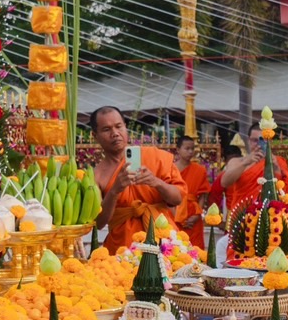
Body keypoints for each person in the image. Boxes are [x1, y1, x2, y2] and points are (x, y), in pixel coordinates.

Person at [88, 106, 185, 254]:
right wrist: (115, 190)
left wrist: (156, 182)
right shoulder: (97, 176)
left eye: (118, 126)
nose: (115, 133)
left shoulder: (155, 157)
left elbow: (177, 198)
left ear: (125, 127)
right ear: (95, 135)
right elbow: (99, 223)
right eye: (106, 129)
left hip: (163, 241)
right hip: (123, 249)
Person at [220, 126, 288, 211]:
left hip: (269, 215)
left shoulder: (278, 162)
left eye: (263, 140)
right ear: (248, 140)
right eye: (255, 140)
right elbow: (224, 183)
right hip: (242, 214)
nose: (259, 144)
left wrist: (275, 167)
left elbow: (283, 190)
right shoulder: (237, 161)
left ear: (269, 141)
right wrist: (245, 163)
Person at [171, 135, 209, 233]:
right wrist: (176, 216)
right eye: (187, 149)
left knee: (196, 248)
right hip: (174, 212)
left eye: (192, 149)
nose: (190, 152)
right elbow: (166, 196)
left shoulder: (200, 170)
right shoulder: (170, 169)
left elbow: (202, 196)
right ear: (178, 150)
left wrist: (196, 216)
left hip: (193, 215)